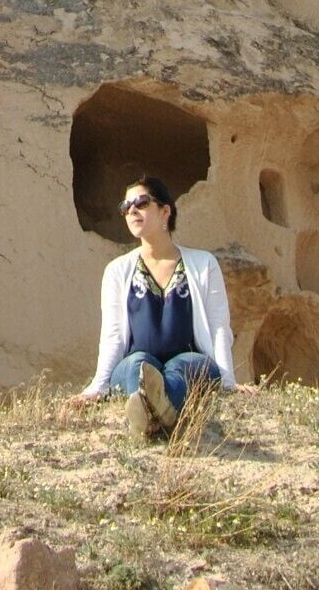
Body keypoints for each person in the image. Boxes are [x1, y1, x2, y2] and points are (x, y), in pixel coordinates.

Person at [76, 174, 248, 442]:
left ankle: (150, 414)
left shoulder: (204, 264)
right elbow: (112, 334)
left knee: (183, 367)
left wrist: (227, 379)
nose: (132, 210)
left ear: (165, 211)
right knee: (138, 367)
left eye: (142, 202)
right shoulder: (117, 271)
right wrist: (98, 385)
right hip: (137, 359)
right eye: (125, 206)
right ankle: (159, 411)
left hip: (190, 357)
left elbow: (218, 327)